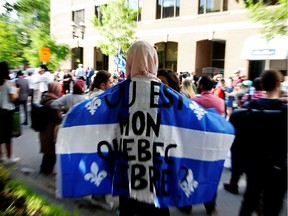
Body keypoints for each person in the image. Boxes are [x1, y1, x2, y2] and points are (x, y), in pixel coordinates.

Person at [236, 69, 287, 216]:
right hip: (278, 165)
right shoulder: (284, 110)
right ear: (278, 83)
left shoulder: (249, 107)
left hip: (254, 163)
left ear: (262, 85)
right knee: (273, 205)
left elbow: (240, 136)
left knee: (249, 200)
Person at [39, 82, 62, 175]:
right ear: (55, 89)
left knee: (47, 151)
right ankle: (48, 170)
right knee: (51, 151)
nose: (60, 91)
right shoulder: (52, 102)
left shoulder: (45, 97)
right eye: (58, 89)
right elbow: (57, 118)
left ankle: (44, 169)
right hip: (50, 129)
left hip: (45, 127)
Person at [0, 61, 20, 163]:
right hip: (7, 111)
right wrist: (16, 90)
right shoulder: (9, 83)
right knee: (7, 134)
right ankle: (10, 156)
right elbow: (13, 99)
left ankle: (1, 156)